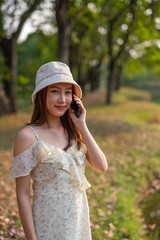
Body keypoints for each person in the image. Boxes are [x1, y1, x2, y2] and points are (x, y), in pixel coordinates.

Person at [10, 61, 108, 240]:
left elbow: (102, 166)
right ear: (42, 95)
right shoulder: (28, 136)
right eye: (55, 91)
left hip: (78, 223)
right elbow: (22, 194)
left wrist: (82, 125)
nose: (62, 99)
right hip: (48, 226)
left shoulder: (74, 132)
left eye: (68, 92)